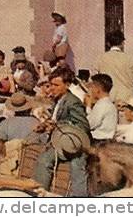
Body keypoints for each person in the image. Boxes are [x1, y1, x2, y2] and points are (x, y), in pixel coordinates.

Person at [33, 67, 91, 196]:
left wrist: (58, 125)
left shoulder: (73, 102)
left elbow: (83, 126)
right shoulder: (59, 100)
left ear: (67, 85)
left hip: (75, 143)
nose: (52, 88)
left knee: (77, 167)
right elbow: (55, 119)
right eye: (51, 85)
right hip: (61, 140)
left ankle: (79, 199)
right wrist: (44, 125)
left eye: (56, 85)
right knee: (42, 157)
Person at [94, 30, 133, 103]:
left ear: (108, 44)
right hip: (128, 99)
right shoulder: (131, 58)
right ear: (122, 43)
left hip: (109, 98)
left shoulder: (101, 58)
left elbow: (96, 79)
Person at [86, 74, 118, 141]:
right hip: (107, 140)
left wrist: (88, 106)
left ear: (98, 89)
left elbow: (89, 124)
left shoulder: (102, 105)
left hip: (99, 141)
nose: (91, 90)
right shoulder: (109, 104)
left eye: (92, 87)